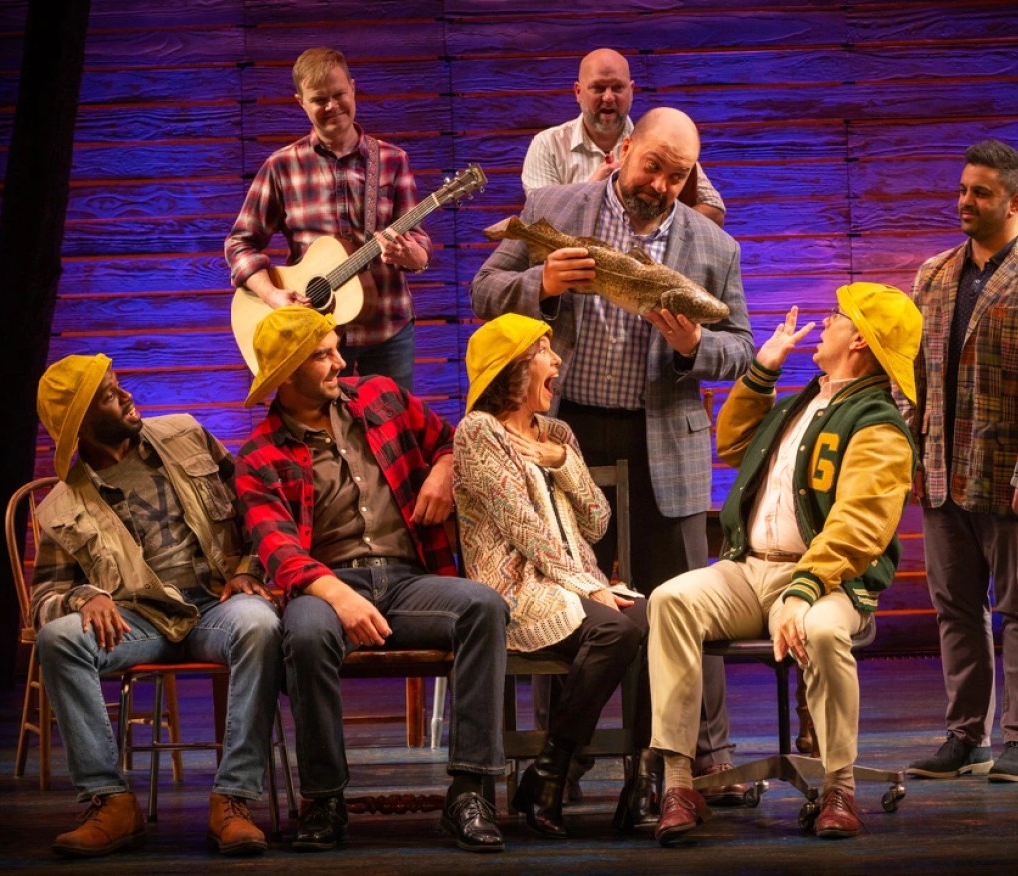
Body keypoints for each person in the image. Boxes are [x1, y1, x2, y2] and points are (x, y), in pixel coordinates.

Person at [472, 106, 756, 801]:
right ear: (624, 150)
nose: (659, 183)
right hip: (561, 431)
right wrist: (539, 286)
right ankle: (558, 761)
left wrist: (695, 348)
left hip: (661, 438)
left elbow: (742, 349)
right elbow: (483, 291)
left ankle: (688, 761)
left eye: (676, 174)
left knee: (677, 601)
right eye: (651, 165)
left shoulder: (711, 246)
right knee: (561, 596)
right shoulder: (553, 207)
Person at [646, 283, 920, 846]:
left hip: (829, 582)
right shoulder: (809, 399)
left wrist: (804, 588)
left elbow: (859, 524)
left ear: (861, 342)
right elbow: (733, 445)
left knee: (820, 631)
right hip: (749, 571)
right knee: (670, 598)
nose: (825, 322)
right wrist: (762, 372)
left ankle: (838, 787)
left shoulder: (878, 424)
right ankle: (678, 782)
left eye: (837, 317)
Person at [233, 306, 509, 854]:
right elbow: (282, 554)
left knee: (484, 607)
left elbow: (453, 440)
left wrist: (443, 469)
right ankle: (325, 797)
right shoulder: (257, 456)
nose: (340, 360)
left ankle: (470, 791)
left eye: (336, 348)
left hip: (409, 580)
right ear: (287, 375)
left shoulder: (380, 397)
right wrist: (336, 595)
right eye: (323, 355)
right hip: (325, 586)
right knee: (306, 634)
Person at [30, 354, 281, 858]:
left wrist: (250, 565)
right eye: (107, 394)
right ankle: (111, 803)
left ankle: (232, 799)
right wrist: (84, 595)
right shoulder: (62, 505)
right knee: (57, 638)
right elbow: (42, 600)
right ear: (81, 425)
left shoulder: (186, 433)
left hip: (217, 602)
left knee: (260, 624)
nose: (124, 395)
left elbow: (259, 500)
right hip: (137, 618)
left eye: (118, 384)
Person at [904, 139, 1018, 784]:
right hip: (941, 474)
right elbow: (912, 381)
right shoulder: (933, 274)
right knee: (955, 609)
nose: (964, 202)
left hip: (1012, 479)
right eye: (961, 190)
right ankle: (965, 736)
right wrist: (910, 459)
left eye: (979, 193)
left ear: (1015, 201)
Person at [452, 313, 654, 837]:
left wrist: (563, 460)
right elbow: (523, 528)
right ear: (516, 368)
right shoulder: (479, 433)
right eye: (544, 349)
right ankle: (551, 774)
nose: (557, 359)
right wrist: (591, 587)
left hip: (574, 580)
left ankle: (637, 776)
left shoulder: (559, 431)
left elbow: (596, 520)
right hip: (518, 586)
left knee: (659, 618)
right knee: (615, 629)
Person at [225, 46, 432, 389]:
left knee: (393, 432)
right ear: (301, 103)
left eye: (339, 94)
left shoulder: (393, 160)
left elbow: (419, 238)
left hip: (387, 330)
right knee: (323, 437)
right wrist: (272, 294)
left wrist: (414, 255)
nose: (333, 105)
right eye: (320, 99)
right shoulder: (281, 166)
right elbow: (239, 242)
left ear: (353, 88)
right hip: (314, 338)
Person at [521, 47, 727, 227]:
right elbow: (539, 221)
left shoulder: (659, 141)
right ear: (578, 92)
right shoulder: (547, 145)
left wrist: (657, 223)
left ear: (631, 91)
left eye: (618, 88)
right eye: (598, 88)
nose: (609, 97)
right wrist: (591, 190)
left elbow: (715, 211)